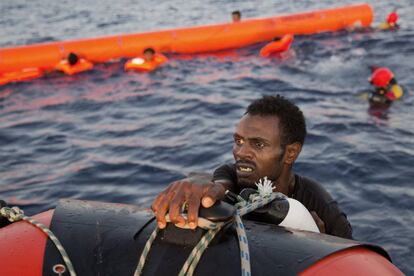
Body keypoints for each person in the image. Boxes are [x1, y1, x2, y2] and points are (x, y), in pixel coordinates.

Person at [152, 95, 353, 239]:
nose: (240, 152)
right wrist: (195, 182)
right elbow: (218, 184)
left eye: (258, 144)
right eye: (239, 141)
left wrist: (321, 244)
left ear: (290, 153)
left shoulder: (322, 207)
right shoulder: (232, 175)